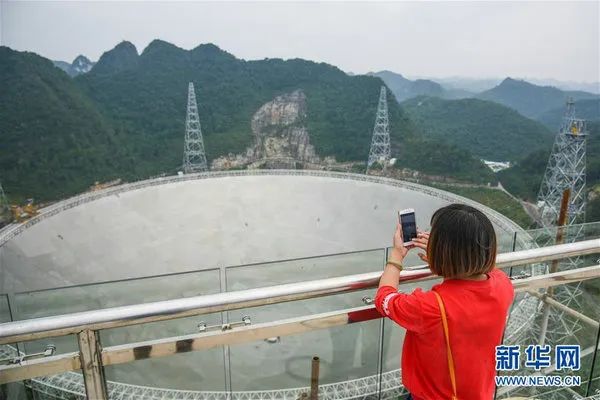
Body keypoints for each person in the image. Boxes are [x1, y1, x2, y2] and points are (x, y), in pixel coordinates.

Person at [375, 204, 514, 400]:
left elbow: (384, 298)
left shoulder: (430, 307)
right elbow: (484, 268)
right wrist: (445, 258)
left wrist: (397, 254)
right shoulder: (502, 285)